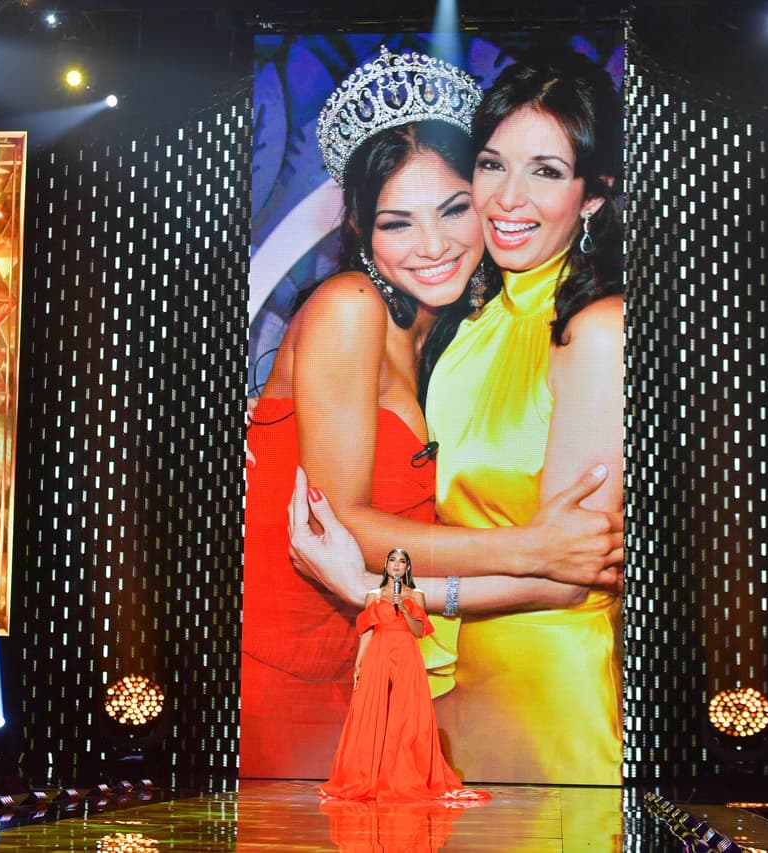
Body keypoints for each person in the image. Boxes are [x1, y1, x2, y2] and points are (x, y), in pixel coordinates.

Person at [241, 46, 622, 780]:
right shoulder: (352, 307)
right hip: (288, 674)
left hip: (384, 662)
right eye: (397, 223)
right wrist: (535, 547)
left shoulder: (458, 334)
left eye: (452, 209)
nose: (436, 245)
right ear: (358, 227)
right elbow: (342, 520)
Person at [419, 51, 627, 784]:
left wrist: (391, 590)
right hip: (451, 679)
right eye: (491, 164)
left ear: (592, 194)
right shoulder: (468, 322)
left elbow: (575, 574)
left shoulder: (596, 328)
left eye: (544, 171)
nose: (507, 198)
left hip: (551, 690)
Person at [320, 549, 488, 804]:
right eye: (392, 561)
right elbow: (367, 631)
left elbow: (419, 631)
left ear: (407, 568)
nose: (396, 565)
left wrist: (405, 610)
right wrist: (359, 663)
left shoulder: (415, 595)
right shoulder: (373, 596)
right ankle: (368, 776)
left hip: (407, 653)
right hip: (379, 652)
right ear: (386, 565)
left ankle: (404, 775)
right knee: (373, 712)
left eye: (401, 562)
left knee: (407, 714)